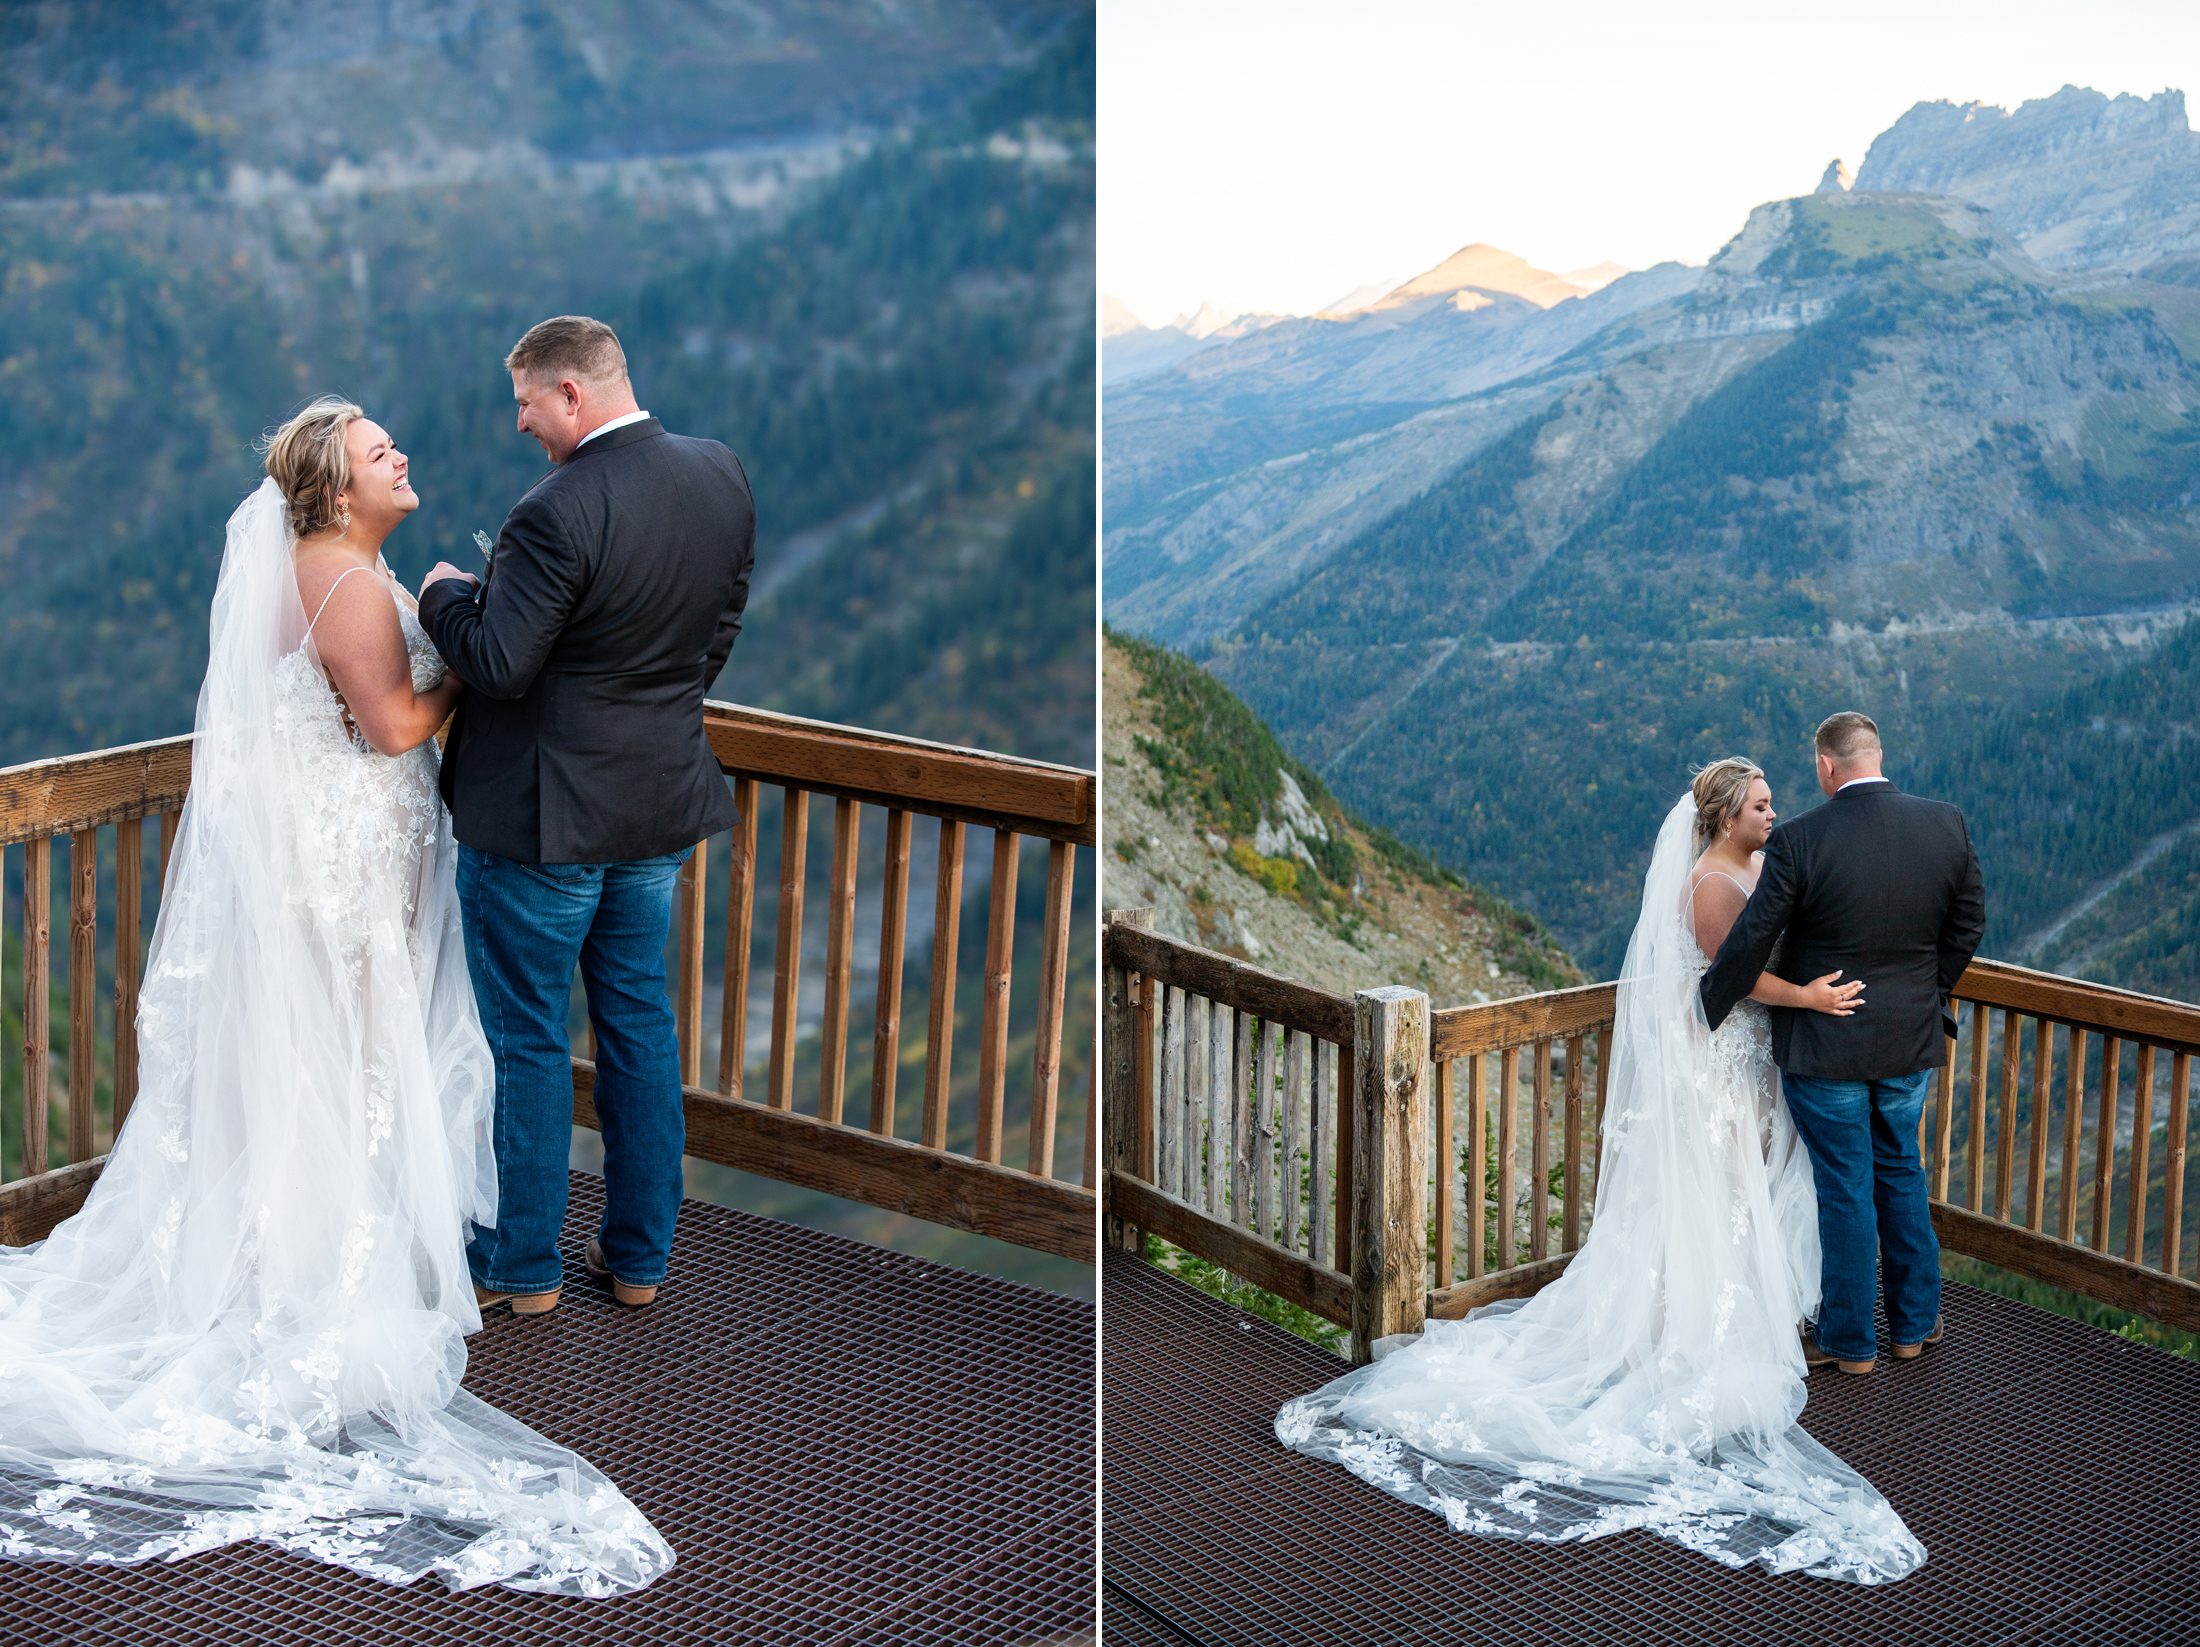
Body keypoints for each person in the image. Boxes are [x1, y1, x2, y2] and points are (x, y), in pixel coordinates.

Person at [0, 398, 672, 1594]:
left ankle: (290, 1249)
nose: (398, 455)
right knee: (356, 1059)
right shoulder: (354, 585)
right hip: (349, 856)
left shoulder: (329, 565)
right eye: (377, 452)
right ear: (333, 485)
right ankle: (320, 1270)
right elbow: (395, 725)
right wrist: (470, 657)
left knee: (329, 1061)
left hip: (328, 847)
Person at [1274, 757, 1927, 1584]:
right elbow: (1733, 979)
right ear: (1728, 816)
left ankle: (1704, 1316)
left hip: (1744, 1060)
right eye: (1763, 804)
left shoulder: (1755, 864)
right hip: (1721, 1061)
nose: (1776, 813)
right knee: (1715, 1197)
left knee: (1736, 1198)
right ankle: (1682, 1331)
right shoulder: (1714, 887)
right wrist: (1812, 998)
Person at [416, 314, 755, 1317]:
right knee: (639, 1025)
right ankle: (641, 1260)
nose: (518, 423)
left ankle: (522, 1270)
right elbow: (716, 629)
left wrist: (444, 594)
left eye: (524, 402)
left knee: (526, 1041)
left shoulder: (553, 510)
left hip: (541, 822)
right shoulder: (719, 474)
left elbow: (497, 662)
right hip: (657, 802)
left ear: (570, 393)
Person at [1701, 712, 1986, 1375]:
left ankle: (1851, 1342)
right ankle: (1915, 1326)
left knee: (1845, 1186)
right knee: (1902, 1171)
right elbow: (1969, 920)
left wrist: (1708, 1002)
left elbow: (1751, 937)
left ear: (1827, 765)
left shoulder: (1800, 840)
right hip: (1908, 1039)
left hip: (1826, 1045)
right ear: (1877, 756)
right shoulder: (1945, 823)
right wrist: (1927, 987)